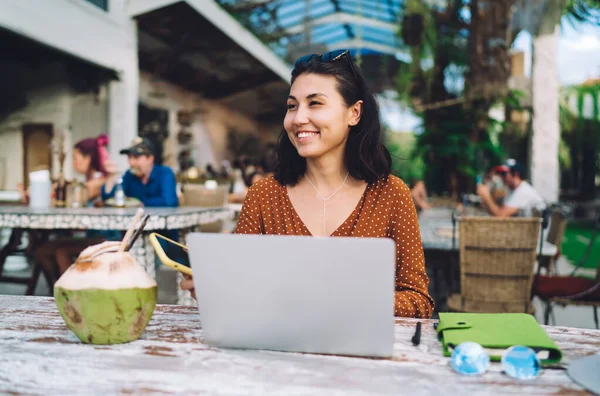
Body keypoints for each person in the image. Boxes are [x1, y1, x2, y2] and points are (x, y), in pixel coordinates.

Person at [181, 49, 434, 318]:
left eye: (315, 103)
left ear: (354, 113)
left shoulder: (391, 194)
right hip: (277, 351)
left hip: (362, 356)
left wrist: (345, 303)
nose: (299, 118)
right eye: (292, 106)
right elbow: (245, 289)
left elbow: (418, 300)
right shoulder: (263, 196)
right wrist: (219, 288)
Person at [33, 134, 115, 283]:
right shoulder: (89, 179)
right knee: (42, 251)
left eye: (76, 159)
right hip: (90, 235)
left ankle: (71, 291)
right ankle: (56, 290)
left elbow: (72, 199)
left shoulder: (98, 181)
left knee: (60, 252)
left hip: (105, 238)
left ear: (88, 158)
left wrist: (58, 190)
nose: (73, 164)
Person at [102, 137, 178, 207]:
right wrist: (111, 176)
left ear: (150, 159)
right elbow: (109, 198)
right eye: (129, 157)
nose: (131, 162)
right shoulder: (129, 175)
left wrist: (140, 203)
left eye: (136, 157)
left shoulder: (165, 173)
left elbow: (169, 202)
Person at [477, 163, 545, 217]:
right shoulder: (513, 190)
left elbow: (500, 216)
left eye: (504, 174)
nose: (501, 177)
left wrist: (487, 196)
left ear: (515, 174)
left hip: (534, 234)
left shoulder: (523, 191)